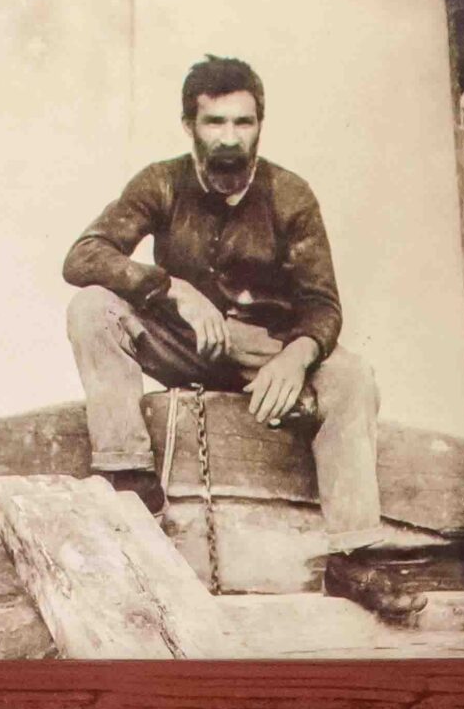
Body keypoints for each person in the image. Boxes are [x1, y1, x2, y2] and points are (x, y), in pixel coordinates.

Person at [62, 56, 384, 561]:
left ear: (260, 126)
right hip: (185, 345)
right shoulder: (161, 182)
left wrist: (295, 357)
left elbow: (321, 304)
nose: (230, 138)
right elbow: (84, 256)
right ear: (189, 125)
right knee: (91, 307)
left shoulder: (290, 194)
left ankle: (354, 555)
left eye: (243, 122)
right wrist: (172, 288)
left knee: (354, 376)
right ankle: (128, 479)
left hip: (265, 356)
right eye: (214, 122)